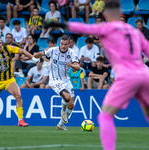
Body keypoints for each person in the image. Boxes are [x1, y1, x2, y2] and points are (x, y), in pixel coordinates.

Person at [43, 1, 149, 149]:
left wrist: (57, 24)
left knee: (105, 116)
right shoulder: (135, 31)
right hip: (145, 74)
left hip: (127, 75)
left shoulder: (106, 28)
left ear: (104, 14)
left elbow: (82, 27)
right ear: (120, 13)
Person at [33, 35, 80, 131]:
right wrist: (30, 58)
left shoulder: (71, 53)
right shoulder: (53, 50)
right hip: (54, 80)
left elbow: (78, 67)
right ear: (60, 43)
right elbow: (40, 54)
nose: (63, 46)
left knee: (71, 105)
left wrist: (71, 65)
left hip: (66, 80)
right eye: (62, 44)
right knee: (66, 97)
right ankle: (63, 112)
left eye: (65, 44)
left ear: (69, 44)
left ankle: (60, 124)